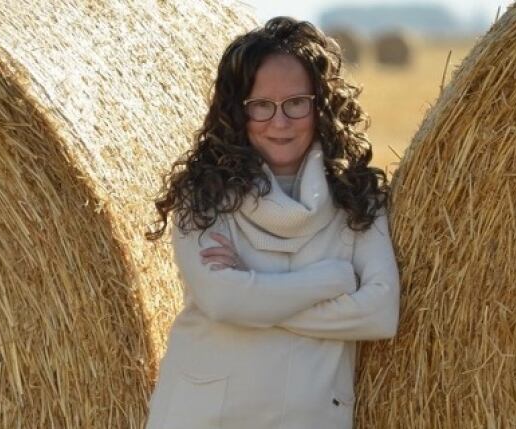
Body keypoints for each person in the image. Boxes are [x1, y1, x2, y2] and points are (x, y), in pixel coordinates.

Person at [143, 16, 400, 429]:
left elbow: (379, 314)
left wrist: (254, 289)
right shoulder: (204, 194)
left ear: (321, 107)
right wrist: (332, 279)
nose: (279, 122)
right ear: (236, 111)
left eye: (296, 103)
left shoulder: (356, 198)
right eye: (261, 106)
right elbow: (223, 300)